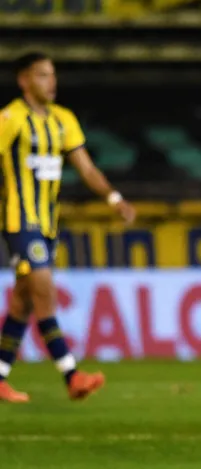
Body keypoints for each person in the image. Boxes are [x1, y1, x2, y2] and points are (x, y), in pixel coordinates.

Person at [0, 52, 135, 403]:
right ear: (24, 80)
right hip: (20, 221)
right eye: (42, 75)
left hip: (48, 225)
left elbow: (87, 168)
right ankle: (72, 374)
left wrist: (113, 198)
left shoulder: (63, 120)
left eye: (52, 75)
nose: (51, 82)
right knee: (44, 289)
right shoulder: (11, 119)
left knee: (23, 301)